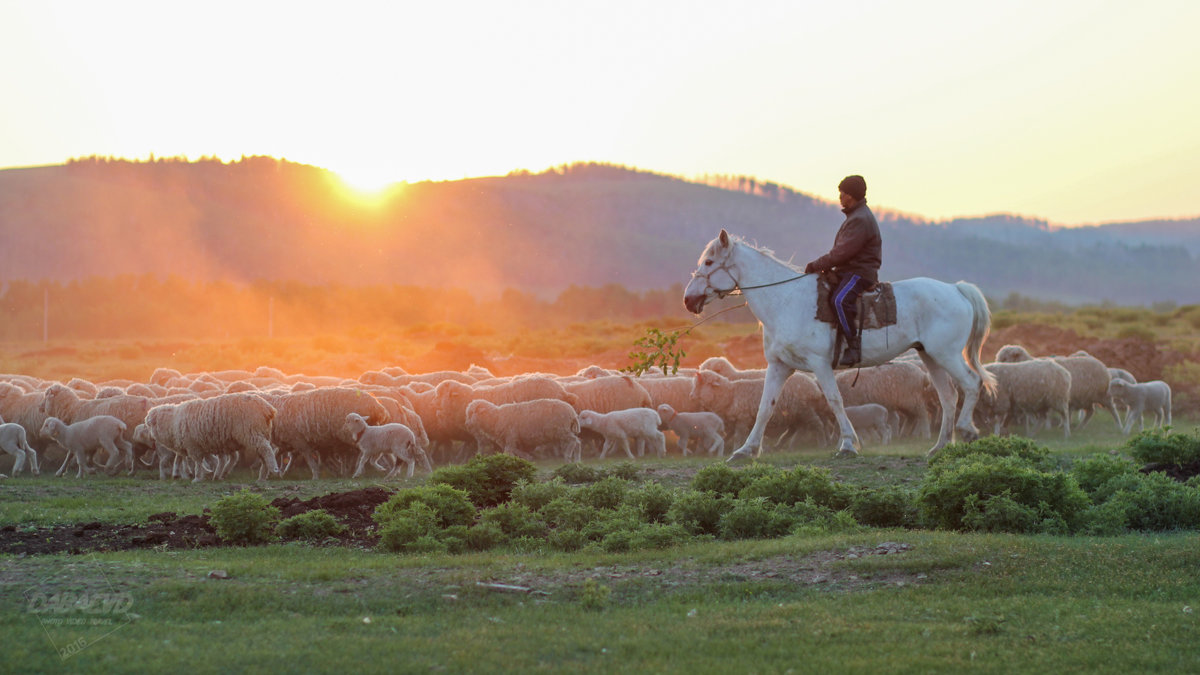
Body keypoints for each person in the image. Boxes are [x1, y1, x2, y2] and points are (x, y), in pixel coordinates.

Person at [804, 175, 882, 366]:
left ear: (851, 195)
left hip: (860, 272)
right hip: (849, 270)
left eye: (843, 193)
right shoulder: (856, 216)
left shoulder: (860, 219)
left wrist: (816, 265)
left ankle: (853, 346)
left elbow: (842, 253)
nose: (840, 196)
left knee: (839, 300)